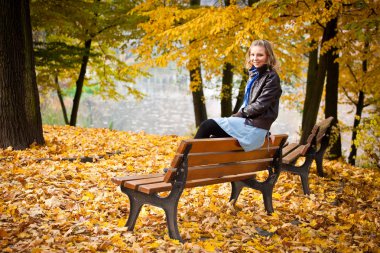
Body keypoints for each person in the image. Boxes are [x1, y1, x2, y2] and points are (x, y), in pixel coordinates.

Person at [194, 39, 282, 151]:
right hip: (251, 126)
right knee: (215, 138)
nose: (255, 58)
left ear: (268, 56)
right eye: (252, 54)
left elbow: (261, 105)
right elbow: (253, 105)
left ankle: (186, 164)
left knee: (207, 125)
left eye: (260, 55)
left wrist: (239, 114)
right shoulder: (255, 76)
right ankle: (193, 163)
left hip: (253, 128)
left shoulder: (271, 77)